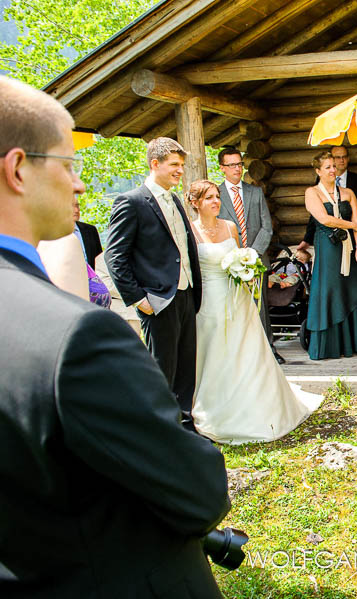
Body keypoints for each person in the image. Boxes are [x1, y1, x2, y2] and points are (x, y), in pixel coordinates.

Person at [0, 74, 230, 599]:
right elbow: (199, 493)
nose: (80, 185)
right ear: (17, 169)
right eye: (69, 164)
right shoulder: (77, 338)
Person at [187, 180, 321, 443]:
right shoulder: (190, 232)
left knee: (247, 350)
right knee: (215, 352)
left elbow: (241, 257)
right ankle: (218, 408)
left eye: (216, 196)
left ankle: (257, 403)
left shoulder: (230, 227)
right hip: (209, 303)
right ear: (195, 203)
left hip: (237, 299)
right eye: (208, 198)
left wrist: (246, 272)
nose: (215, 201)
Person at [106, 137, 203, 431]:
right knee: (162, 370)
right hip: (157, 299)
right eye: (174, 165)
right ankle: (160, 432)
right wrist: (138, 299)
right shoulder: (131, 201)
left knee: (186, 367)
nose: (180, 171)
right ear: (155, 164)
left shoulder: (174, 199)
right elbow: (115, 256)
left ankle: (185, 429)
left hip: (185, 294)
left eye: (182, 166)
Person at [304, 150, 357, 359]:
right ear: (318, 171)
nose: (332, 170)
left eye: (334, 166)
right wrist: (351, 225)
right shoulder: (312, 192)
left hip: (350, 249)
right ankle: (329, 346)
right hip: (328, 249)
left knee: (355, 287)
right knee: (329, 289)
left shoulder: (348, 193)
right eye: (327, 167)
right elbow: (324, 219)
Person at [215, 147, 283, 364]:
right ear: (222, 168)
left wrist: (251, 254)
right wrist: (235, 256)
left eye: (239, 164)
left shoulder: (255, 192)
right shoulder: (217, 195)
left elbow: (266, 226)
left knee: (260, 306)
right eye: (232, 165)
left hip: (256, 259)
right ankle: (240, 353)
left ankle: (268, 349)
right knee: (235, 306)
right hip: (229, 261)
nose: (237, 168)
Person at [74, 200, 101, 268]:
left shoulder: (91, 230)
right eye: (72, 206)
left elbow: (99, 258)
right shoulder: (54, 234)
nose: (76, 210)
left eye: (77, 206)